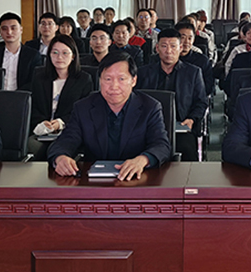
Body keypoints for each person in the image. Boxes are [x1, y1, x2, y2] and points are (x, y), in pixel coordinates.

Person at [48, 51, 172, 180]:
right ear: (100, 80)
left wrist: (143, 160)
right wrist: (60, 158)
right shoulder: (83, 108)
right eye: (108, 79)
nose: (114, 86)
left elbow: (161, 145)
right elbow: (65, 141)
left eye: (121, 79)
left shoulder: (150, 107)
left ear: (133, 81)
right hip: (95, 182)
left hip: (137, 179)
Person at [138, 29, 207, 162]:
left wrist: (191, 119)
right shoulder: (143, 73)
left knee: (187, 150)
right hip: (149, 128)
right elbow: (137, 100)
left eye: (173, 46)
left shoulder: (193, 73)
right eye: (164, 46)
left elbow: (201, 102)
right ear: (157, 48)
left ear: (180, 48)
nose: (168, 51)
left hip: (181, 127)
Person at [28, 34, 93, 160]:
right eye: (55, 52)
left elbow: (85, 111)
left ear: (73, 56)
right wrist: (41, 123)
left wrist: (60, 123)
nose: (59, 57)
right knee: (32, 146)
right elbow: (33, 106)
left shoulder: (84, 79)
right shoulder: (39, 76)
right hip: (42, 131)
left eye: (65, 53)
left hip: (70, 131)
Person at [0, 12, 42, 91]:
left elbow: (34, 82)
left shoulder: (33, 55)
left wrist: (15, 95)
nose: (9, 32)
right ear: (0, 31)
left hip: (22, 96)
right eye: (4, 29)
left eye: (13, 28)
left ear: (21, 30)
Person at [176, 20, 215, 95]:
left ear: (193, 40)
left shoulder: (202, 60)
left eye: (190, 38)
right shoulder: (168, 59)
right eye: (183, 37)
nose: (186, 42)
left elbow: (208, 87)